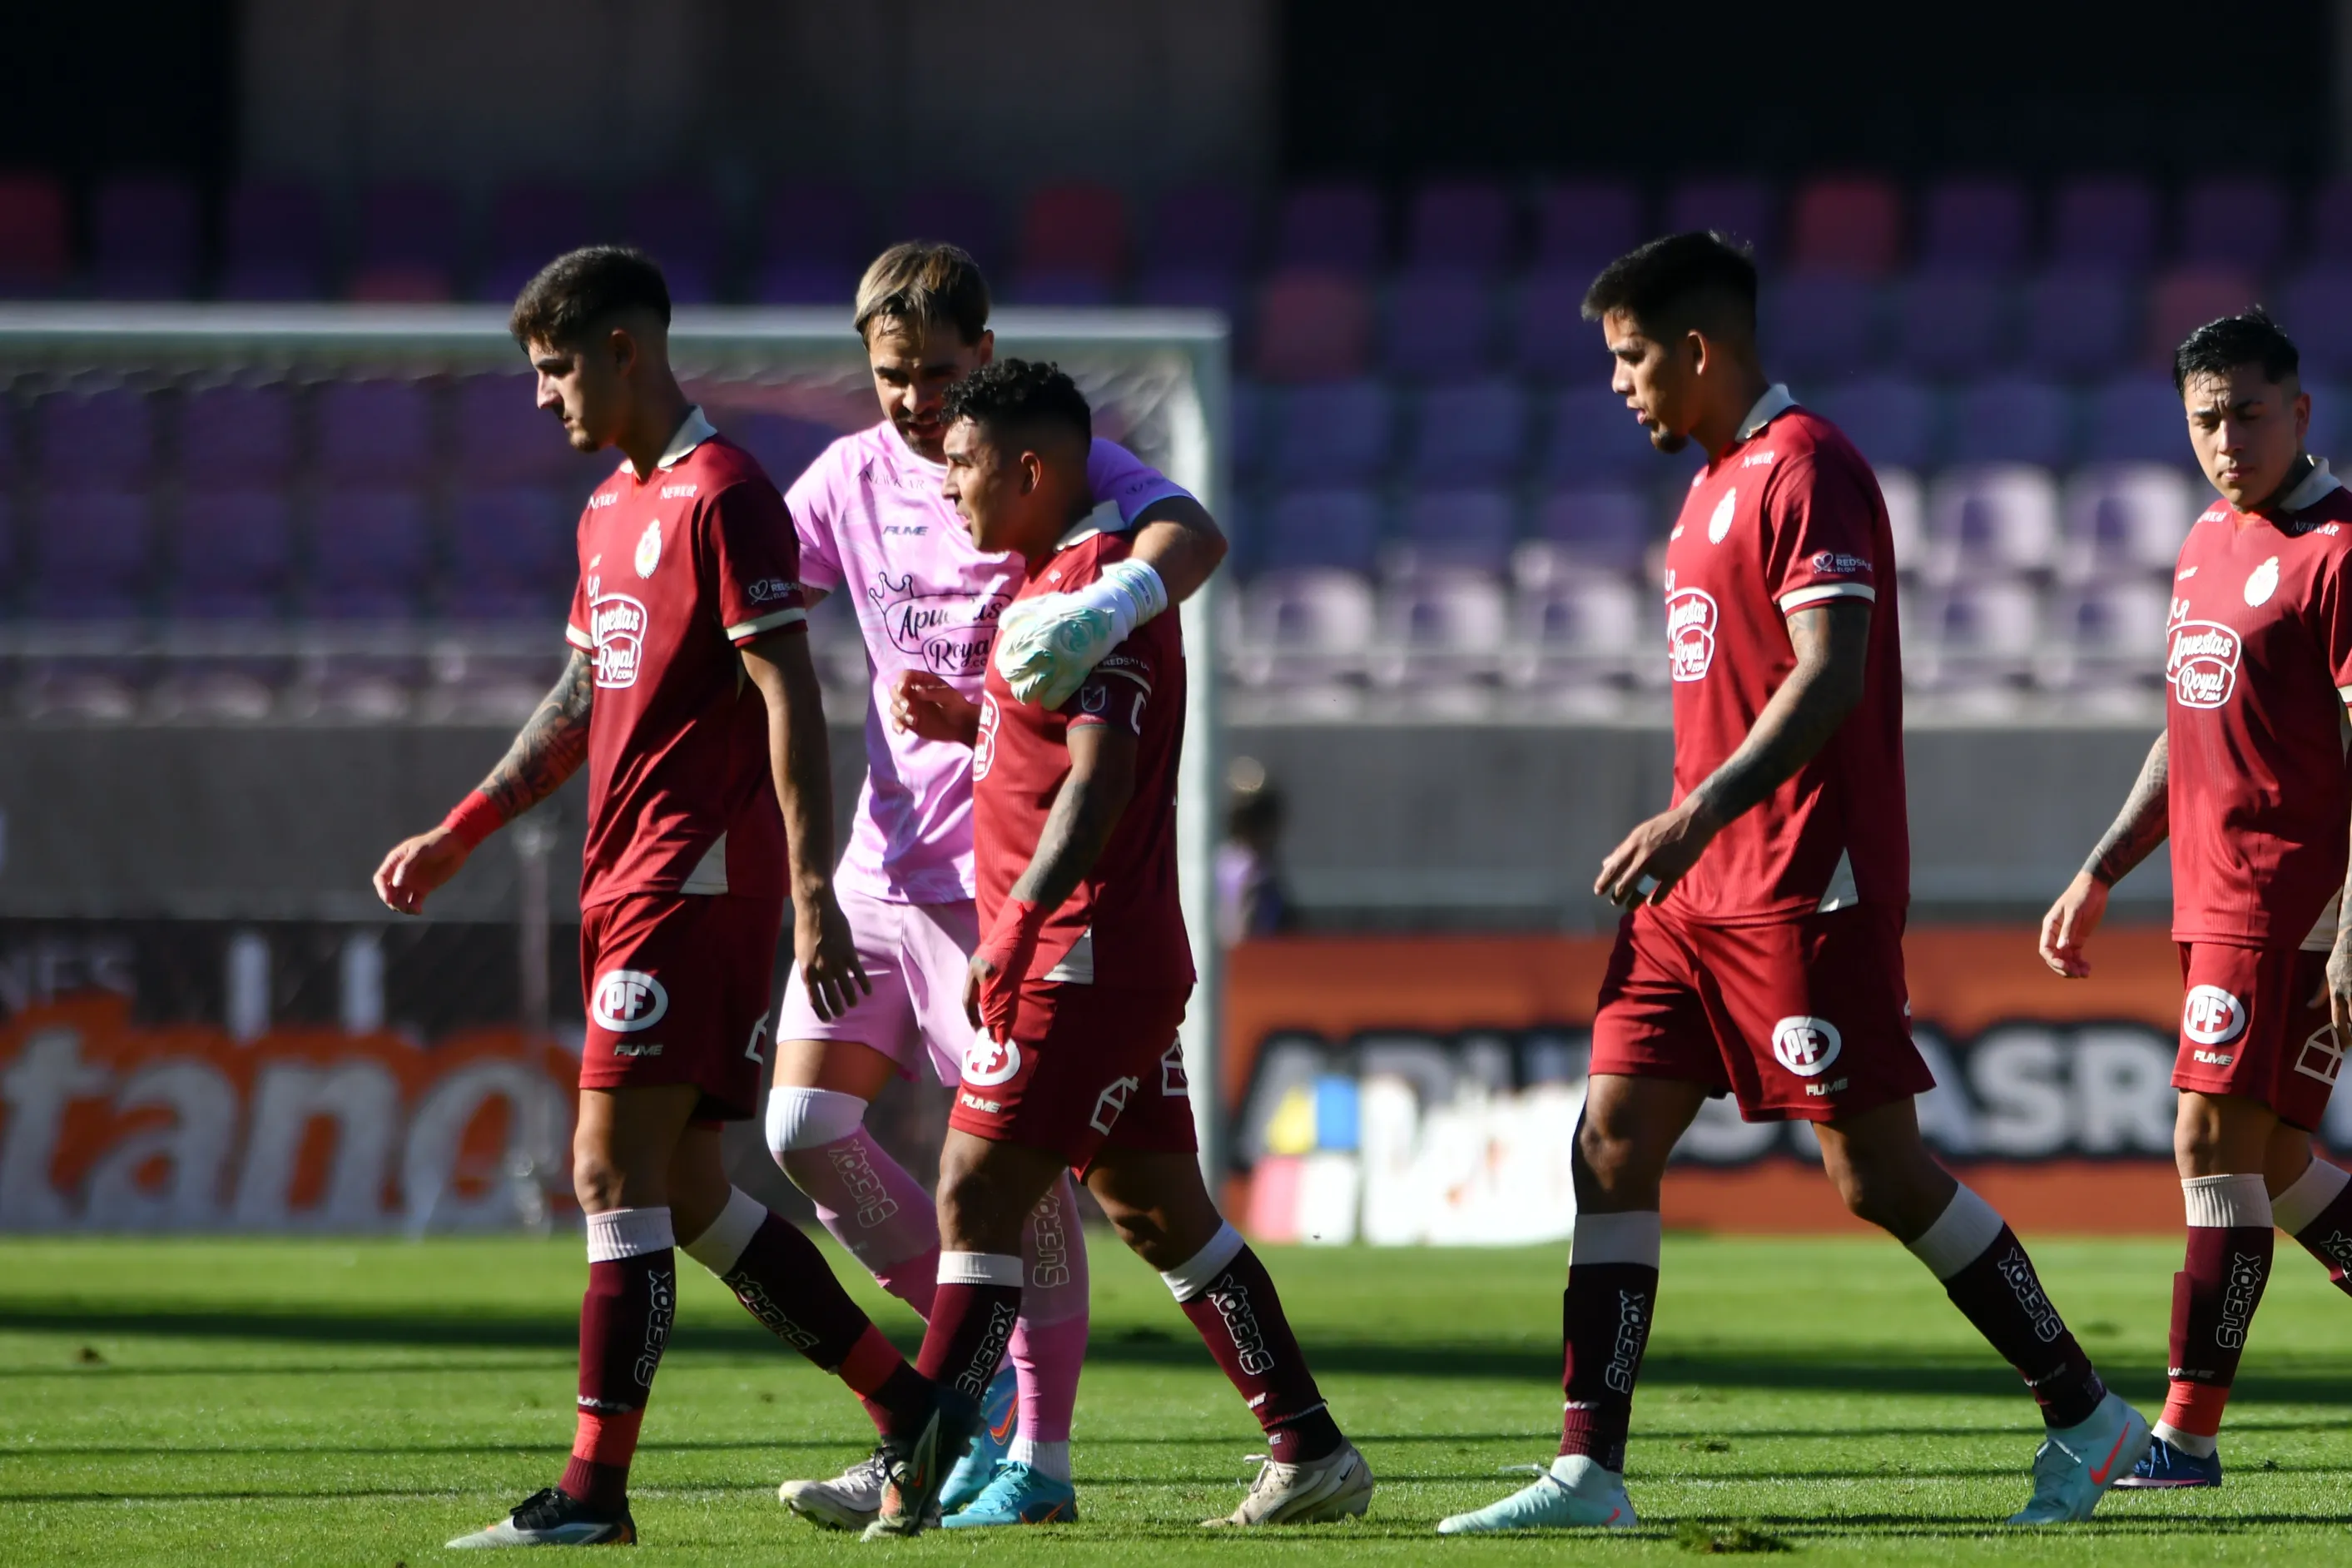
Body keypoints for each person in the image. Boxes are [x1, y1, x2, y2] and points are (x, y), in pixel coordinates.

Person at [1439, 232, 2148, 1536]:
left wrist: (1697, 808)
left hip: (1792, 879)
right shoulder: (1710, 484)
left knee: (1875, 1173)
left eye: (1632, 356)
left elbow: (1829, 671)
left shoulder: (1805, 468)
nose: (1617, 385)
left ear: (1699, 350)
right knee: (1607, 1143)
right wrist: (1690, 832)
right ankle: (1588, 1473)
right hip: (1691, 900)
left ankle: (2086, 1413)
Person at [372, 246, 956, 1549]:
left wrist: (809, 891)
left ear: (626, 349)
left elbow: (792, 698)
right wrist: (461, 829)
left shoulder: (729, 497)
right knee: (689, 1193)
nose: (542, 398)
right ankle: (908, 1402)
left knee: (603, 1170)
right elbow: (582, 699)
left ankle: (591, 1495)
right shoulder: (605, 513)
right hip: (622, 876)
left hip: (692, 882)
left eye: (556, 368)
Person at [858, 357, 1372, 1537]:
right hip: (1110, 953)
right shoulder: (1059, 576)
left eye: (966, 464)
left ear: (1031, 469)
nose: (949, 489)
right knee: (1157, 1211)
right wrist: (974, 718)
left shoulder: (1095, 579)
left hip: (1079, 952)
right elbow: (1063, 742)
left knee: (973, 1192)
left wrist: (1025, 920)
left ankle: (915, 1475)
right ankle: (1308, 1449)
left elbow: (1103, 779)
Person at [766, 241, 1228, 1531]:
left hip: (1000, 877)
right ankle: (966, 1380)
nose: (911, 401)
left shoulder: (1041, 462)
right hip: (875, 866)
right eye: (888, 375)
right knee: (803, 1134)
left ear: (983, 357)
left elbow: (1192, 532)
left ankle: (1030, 1441)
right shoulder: (843, 480)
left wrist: (1113, 602)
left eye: (932, 373)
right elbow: (758, 605)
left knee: (1013, 1178)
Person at [2040, 308, 2352, 1488]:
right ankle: (2186, 1434)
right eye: (2204, 420)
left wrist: (2350, 936)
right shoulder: (2206, 540)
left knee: (2205, 1139)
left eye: (2248, 415)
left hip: (2288, 900)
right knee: (2270, 1161)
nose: (2227, 440)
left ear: (2300, 411)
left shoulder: (2338, 549)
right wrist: (2100, 867)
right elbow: (2186, 723)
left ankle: (2183, 1437)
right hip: (2206, 897)